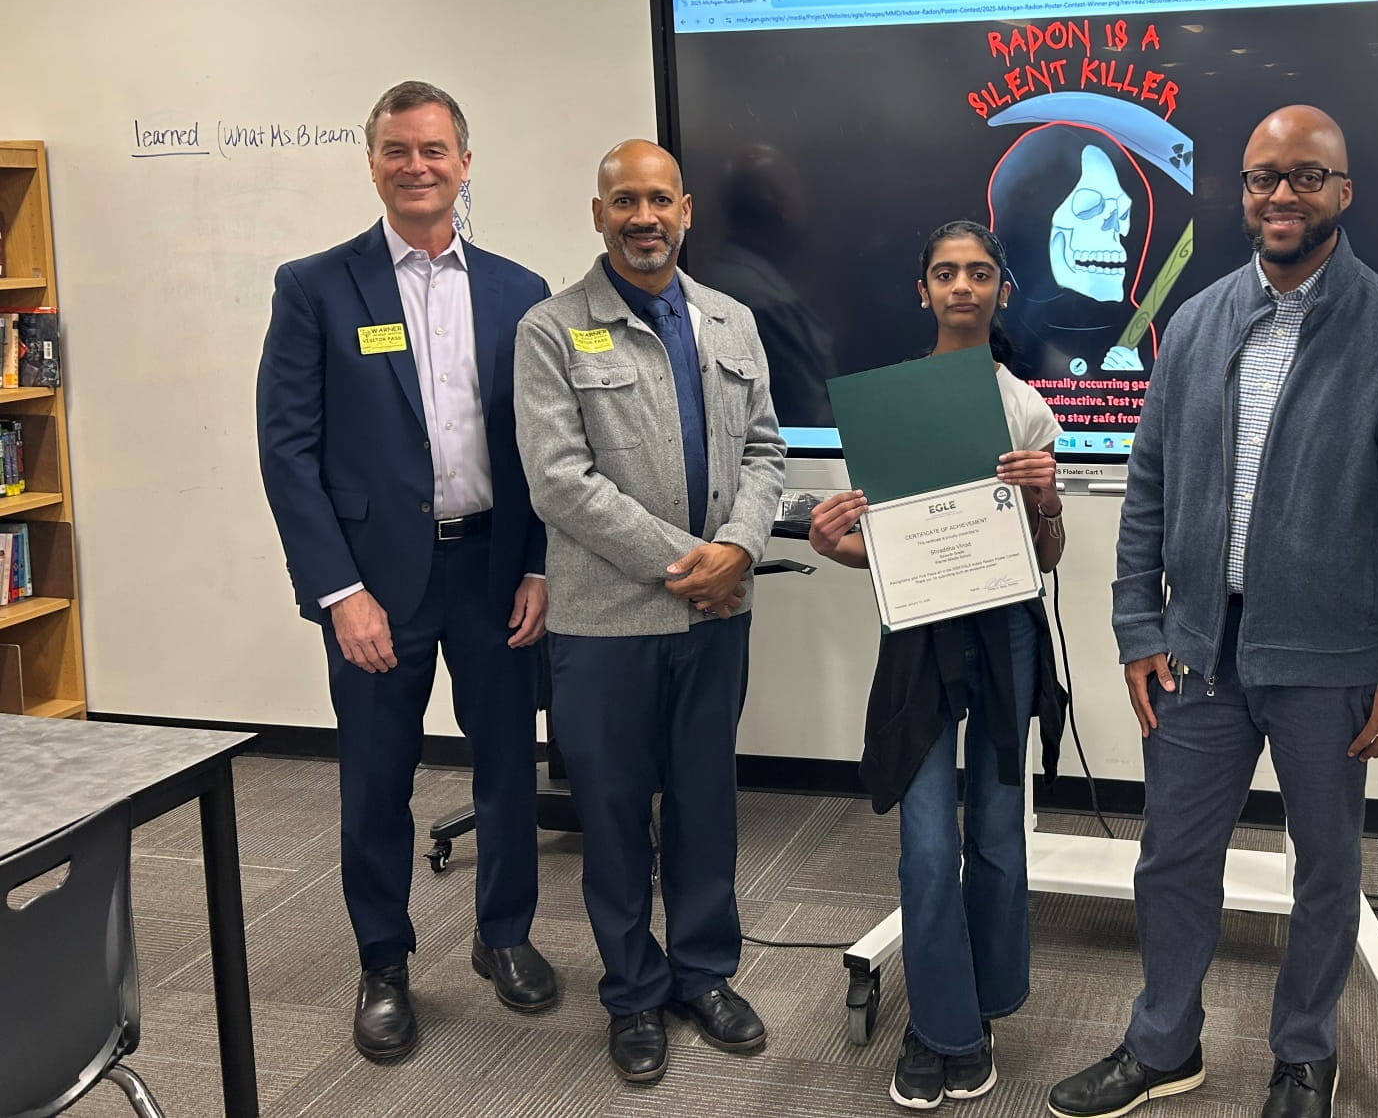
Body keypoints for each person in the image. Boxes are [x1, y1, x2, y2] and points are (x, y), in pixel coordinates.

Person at [1049, 105, 1378, 1118]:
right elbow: (1148, 491)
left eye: (1304, 176)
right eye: (1261, 177)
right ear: (1241, 193)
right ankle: (1163, 1045)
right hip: (1200, 652)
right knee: (1171, 859)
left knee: (1324, 870)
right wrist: (1137, 627)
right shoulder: (1198, 324)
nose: (1280, 194)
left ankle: (1303, 1057)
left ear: (1343, 192)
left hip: (1331, 665)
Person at [255, 80, 557, 1063]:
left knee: (508, 766)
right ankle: (383, 961)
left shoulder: (519, 290)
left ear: (465, 163)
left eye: (434, 150)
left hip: (495, 570)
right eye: (398, 150)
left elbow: (544, 446)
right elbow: (287, 451)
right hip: (376, 583)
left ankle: (503, 935)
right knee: (377, 778)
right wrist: (339, 593)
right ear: (373, 163)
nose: (416, 166)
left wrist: (540, 565)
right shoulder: (316, 286)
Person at [513, 139, 785, 1084]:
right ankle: (632, 991)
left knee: (706, 804)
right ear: (599, 215)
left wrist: (738, 548)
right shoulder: (551, 329)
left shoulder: (733, 321)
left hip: (718, 615)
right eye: (624, 201)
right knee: (616, 814)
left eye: (659, 200)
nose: (643, 218)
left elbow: (765, 453)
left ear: (686, 210)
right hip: (607, 624)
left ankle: (703, 974)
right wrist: (689, 564)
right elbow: (559, 481)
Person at [806, 220, 1070, 1111]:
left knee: (995, 834)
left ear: (1002, 291)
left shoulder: (1026, 407)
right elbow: (885, 553)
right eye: (946, 273)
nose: (963, 286)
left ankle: (983, 1008)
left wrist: (1047, 501)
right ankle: (938, 1027)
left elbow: (1047, 556)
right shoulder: (886, 406)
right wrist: (832, 543)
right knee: (926, 843)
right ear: (922, 290)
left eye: (980, 273)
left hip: (1005, 637)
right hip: (920, 640)